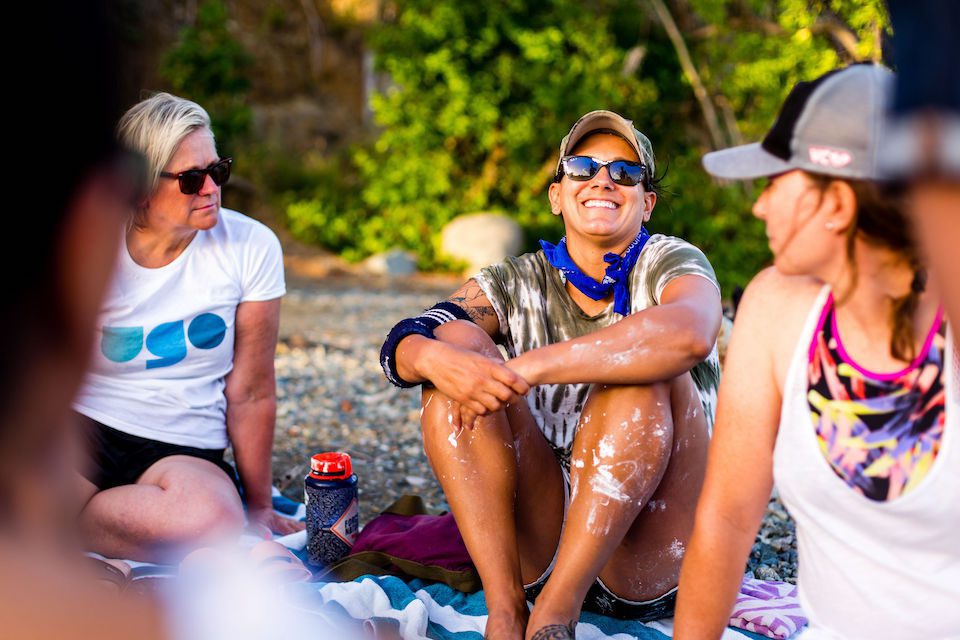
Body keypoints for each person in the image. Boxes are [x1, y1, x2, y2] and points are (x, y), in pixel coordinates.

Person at [380, 110, 723, 640]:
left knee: (642, 369)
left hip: (649, 553)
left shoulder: (670, 261)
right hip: (543, 541)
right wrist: (430, 359)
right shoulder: (516, 280)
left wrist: (528, 367)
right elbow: (408, 337)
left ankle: (556, 615)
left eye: (624, 172)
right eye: (582, 168)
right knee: (455, 353)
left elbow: (691, 332)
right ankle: (507, 609)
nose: (602, 180)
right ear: (557, 195)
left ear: (647, 202)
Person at [674, 64, 960, 639]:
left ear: (836, 204)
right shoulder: (775, 307)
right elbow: (726, 519)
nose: (759, 207)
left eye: (776, 182)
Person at [71, 93, 302, 563]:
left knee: (215, 519)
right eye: (191, 179)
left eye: (217, 171)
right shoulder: (92, 242)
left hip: (182, 442)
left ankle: (58, 525)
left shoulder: (250, 246)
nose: (211, 189)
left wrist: (258, 506)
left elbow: (253, 389)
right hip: (85, 428)